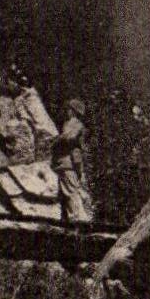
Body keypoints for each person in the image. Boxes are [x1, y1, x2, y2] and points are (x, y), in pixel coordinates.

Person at [52, 97, 94, 226]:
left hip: (68, 163)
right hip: (65, 163)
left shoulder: (74, 123)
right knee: (68, 191)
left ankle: (78, 219)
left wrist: (55, 141)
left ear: (73, 111)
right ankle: (74, 218)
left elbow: (69, 137)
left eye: (68, 109)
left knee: (71, 190)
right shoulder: (70, 123)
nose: (66, 112)